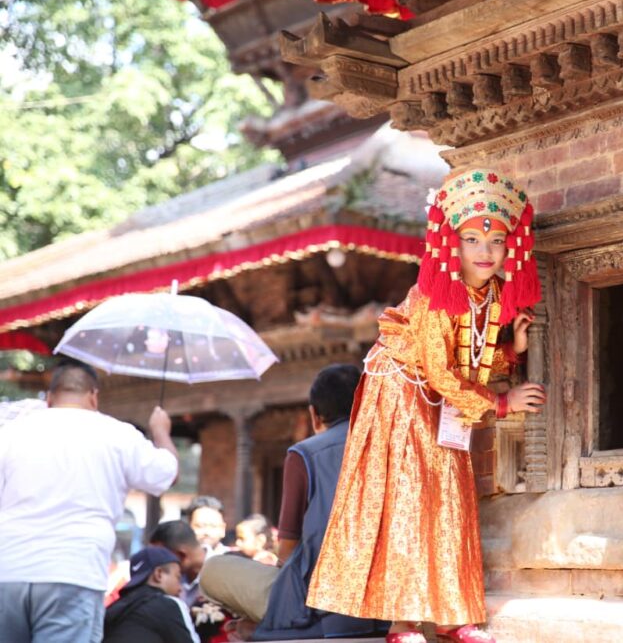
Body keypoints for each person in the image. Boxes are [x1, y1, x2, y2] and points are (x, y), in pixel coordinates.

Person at [307, 169, 546, 643]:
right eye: (472, 240)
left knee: (451, 495)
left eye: (496, 241)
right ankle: (403, 623)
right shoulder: (435, 295)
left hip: (439, 398)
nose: (485, 251)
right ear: (452, 245)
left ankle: (454, 615)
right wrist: (502, 403)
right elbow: (440, 370)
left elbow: (467, 361)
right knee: (411, 498)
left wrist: (511, 350)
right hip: (401, 393)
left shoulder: (494, 294)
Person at [0, 359, 178, 643]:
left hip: (8, 569)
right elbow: (167, 475)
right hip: (73, 569)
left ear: (49, 398)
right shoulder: (117, 434)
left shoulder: (11, 432)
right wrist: (161, 431)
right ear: (94, 396)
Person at [200, 364, 384, 639]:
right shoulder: (397, 447)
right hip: (387, 600)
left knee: (214, 569)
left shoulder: (305, 453)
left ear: (314, 415)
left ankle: (271, 627)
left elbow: (287, 549)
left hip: (316, 603)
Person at [103, 546, 199, 643]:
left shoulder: (117, 607)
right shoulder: (168, 604)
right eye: (178, 577)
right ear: (159, 574)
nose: (180, 588)